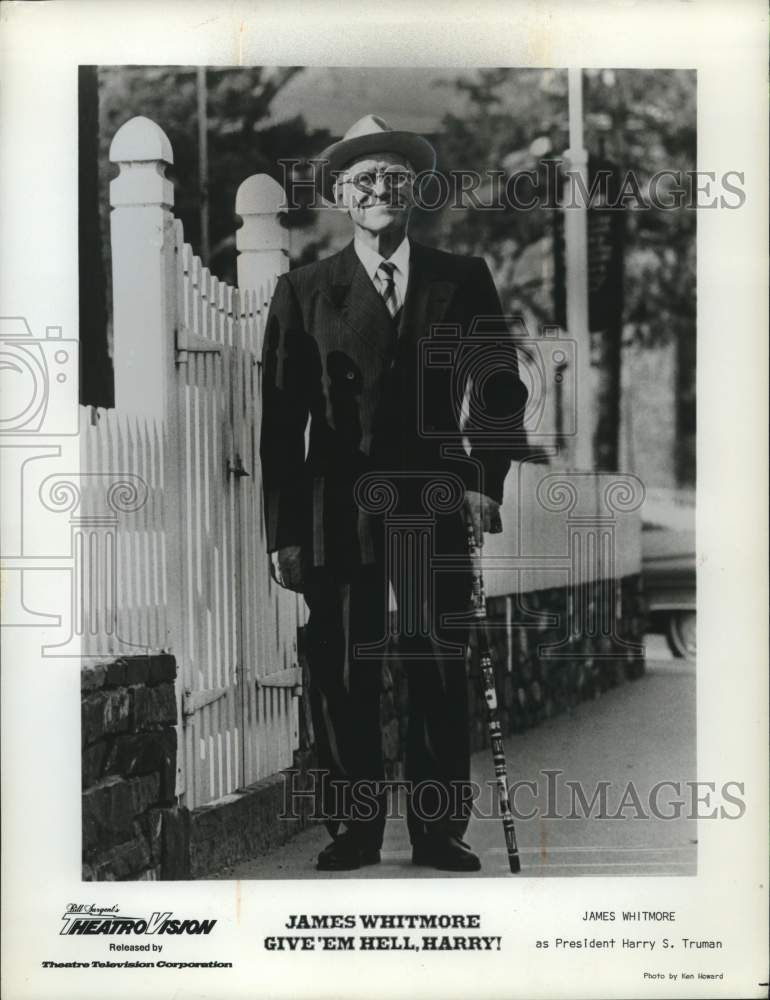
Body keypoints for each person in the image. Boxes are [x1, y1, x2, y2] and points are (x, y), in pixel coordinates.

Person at [260, 115, 528, 872]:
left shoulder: (460, 279)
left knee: (435, 663)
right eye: (366, 179)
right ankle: (354, 829)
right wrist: (284, 530)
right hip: (338, 506)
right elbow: (280, 424)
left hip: (434, 499)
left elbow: (498, 390)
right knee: (344, 668)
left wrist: (484, 480)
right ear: (345, 197)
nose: (381, 189)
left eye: (396, 178)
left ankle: (438, 831)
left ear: (416, 193)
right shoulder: (304, 291)